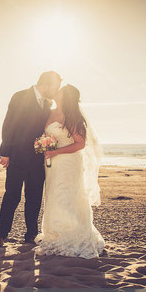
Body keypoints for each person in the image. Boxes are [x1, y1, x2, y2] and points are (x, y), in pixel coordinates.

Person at [0, 71, 62, 247]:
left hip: (38, 160)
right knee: (12, 195)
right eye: (55, 87)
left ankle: (31, 234)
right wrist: (5, 152)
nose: (56, 91)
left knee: (35, 197)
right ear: (46, 84)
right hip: (17, 155)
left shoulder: (48, 104)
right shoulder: (21, 96)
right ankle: (1, 234)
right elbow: (9, 124)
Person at [35, 84, 105, 258]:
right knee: (53, 194)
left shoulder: (71, 116)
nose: (56, 91)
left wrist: (55, 151)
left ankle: (69, 234)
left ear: (65, 96)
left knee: (65, 195)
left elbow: (80, 143)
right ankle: (54, 234)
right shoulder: (50, 112)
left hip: (67, 161)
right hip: (52, 163)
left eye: (60, 90)